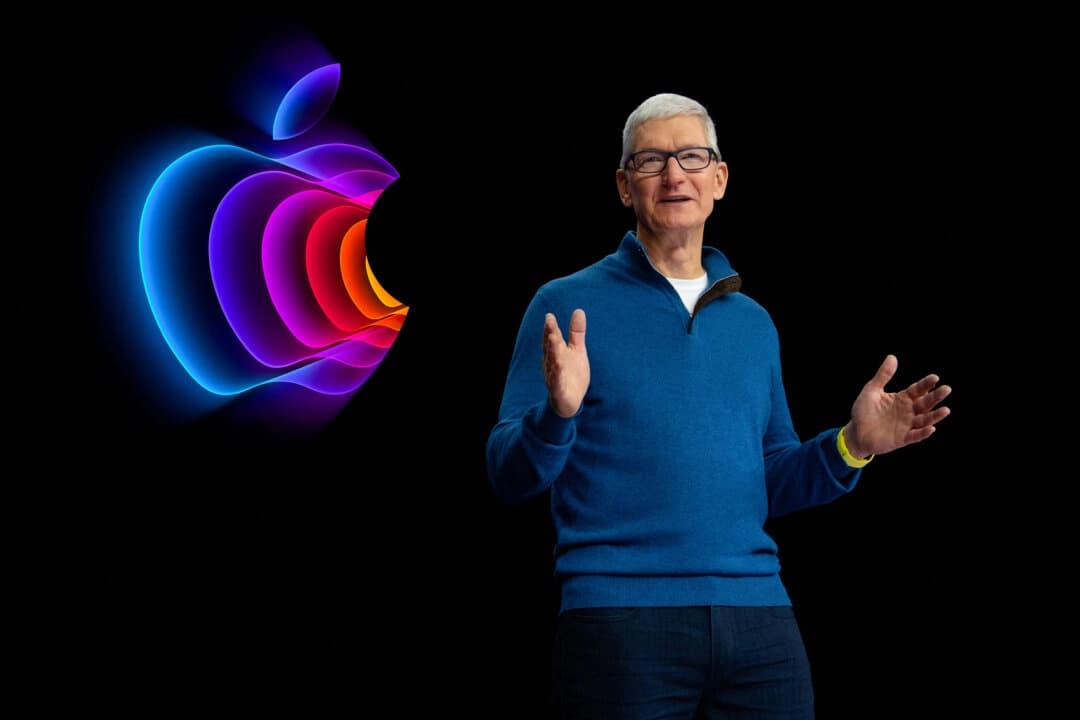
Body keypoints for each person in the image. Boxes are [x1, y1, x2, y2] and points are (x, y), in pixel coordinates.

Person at [484, 92, 953, 719]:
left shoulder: (752, 323)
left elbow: (770, 480)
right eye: (651, 160)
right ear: (625, 186)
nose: (674, 175)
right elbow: (508, 474)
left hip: (759, 618)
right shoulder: (564, 307)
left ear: (720, 178)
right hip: (620, 620)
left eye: (692, 157)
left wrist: (852, 445)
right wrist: (558, 415)